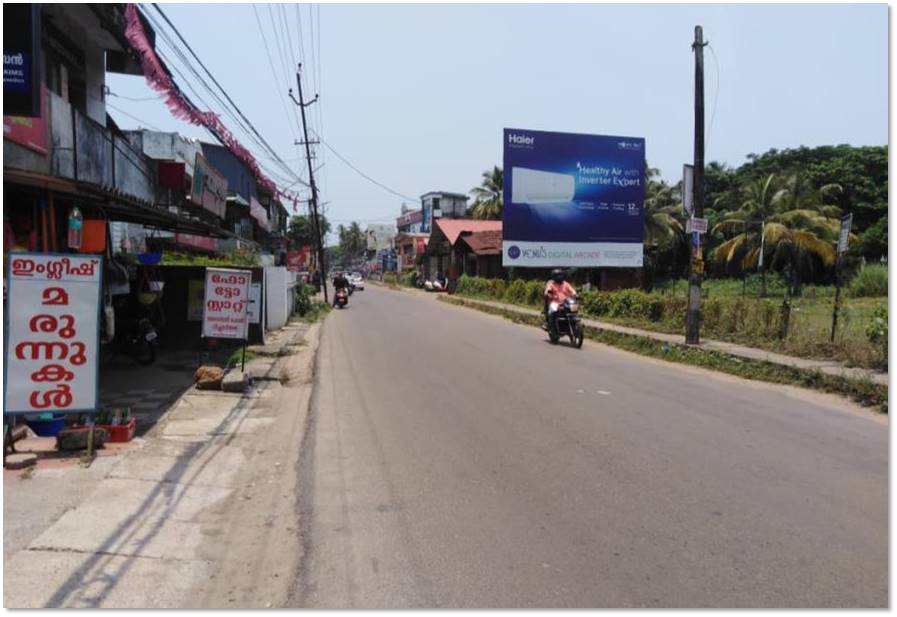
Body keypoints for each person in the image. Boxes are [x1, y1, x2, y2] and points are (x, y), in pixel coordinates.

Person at [544, 268, 577, 333]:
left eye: (561, 275)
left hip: (566, 302)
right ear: (554, 277)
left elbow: (572, 290)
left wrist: (575, 294)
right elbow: (547, 291)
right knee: (553, 310)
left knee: (574, 310)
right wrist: (549, 294)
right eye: (558, 276)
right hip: (555, 302)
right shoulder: (551, 284)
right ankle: (551, 326)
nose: (560, 277)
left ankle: (574, 326)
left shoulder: (565, 284)